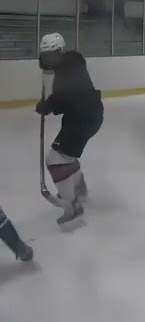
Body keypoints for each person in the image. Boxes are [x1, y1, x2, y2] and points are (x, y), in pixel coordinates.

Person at [36, 32, 103, 226]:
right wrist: (50, 104)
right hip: (83, 117)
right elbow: (65, 99)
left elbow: (65, 97)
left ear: (61, 52)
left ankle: (72, 205)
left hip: (83, 119)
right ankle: (79, 190)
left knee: (55, 160)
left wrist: (47, 105)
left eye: (53, 55)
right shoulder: (71, 64)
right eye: (46, 57)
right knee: (66, 156)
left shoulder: (70, 68)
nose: (49, 60)